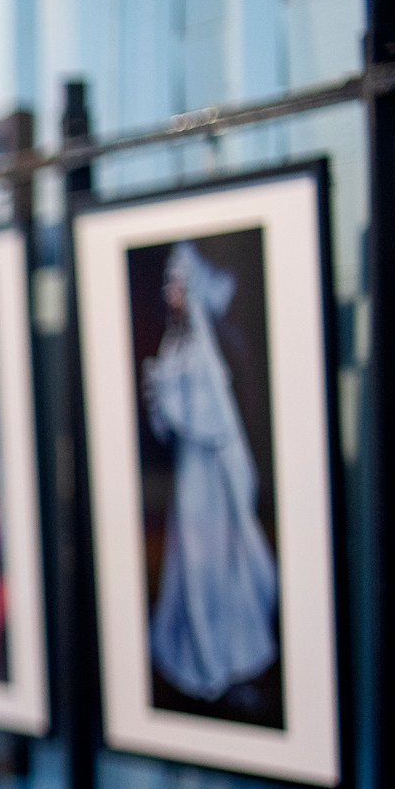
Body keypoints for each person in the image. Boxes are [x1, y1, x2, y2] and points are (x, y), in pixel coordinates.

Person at [143, 239, 278, 706]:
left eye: (176, 283)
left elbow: (212, 421)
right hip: (189, 481)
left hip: (209, 483)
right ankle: (199, 654)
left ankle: (218, 658)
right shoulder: (176, 340)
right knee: (190, 569)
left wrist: (170, 401)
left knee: (209, 568)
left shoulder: (205, 346)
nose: (169, 292)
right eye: (168, 283)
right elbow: (169, 424)